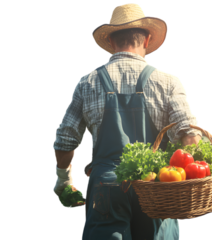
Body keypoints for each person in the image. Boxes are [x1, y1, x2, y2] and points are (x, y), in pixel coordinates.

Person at [52, 2, 202, 240]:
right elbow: (190, 135)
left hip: (106, 188)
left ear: (111, 42)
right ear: (147, 38)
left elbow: (65, 139)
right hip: (156, 186)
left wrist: (62, 181)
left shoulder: (87, 82)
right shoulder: (169, 81)